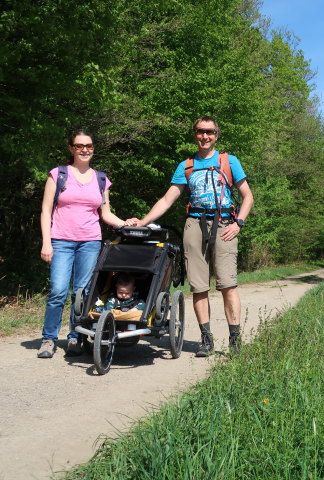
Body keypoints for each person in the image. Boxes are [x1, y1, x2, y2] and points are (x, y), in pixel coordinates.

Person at [134, 116, 254, 357]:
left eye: (210, 132)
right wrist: (143, 221)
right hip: (194, 225)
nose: (205, 136)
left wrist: (239, 223)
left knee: (227, 285)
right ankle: (206, 339)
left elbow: (247, 196)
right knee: (199, 286)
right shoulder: (186, 166)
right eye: (200, 131)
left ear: (216, 135)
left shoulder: (229, 161)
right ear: (195, 134)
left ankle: (234, 340)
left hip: (224, 225)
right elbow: (168, 199)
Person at [38, 129, 133, 358]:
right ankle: (49, 339)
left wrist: (126, 223)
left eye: (89, 146)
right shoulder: (58, 174)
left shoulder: (101, 179)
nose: (85, 150)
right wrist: (46, 243)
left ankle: (75, 337)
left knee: (82, 293)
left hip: (90, 242)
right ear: (71, 148)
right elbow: (45, 210)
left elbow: (106, 214)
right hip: (61, 240)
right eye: (80, 146)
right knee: (58, 291)